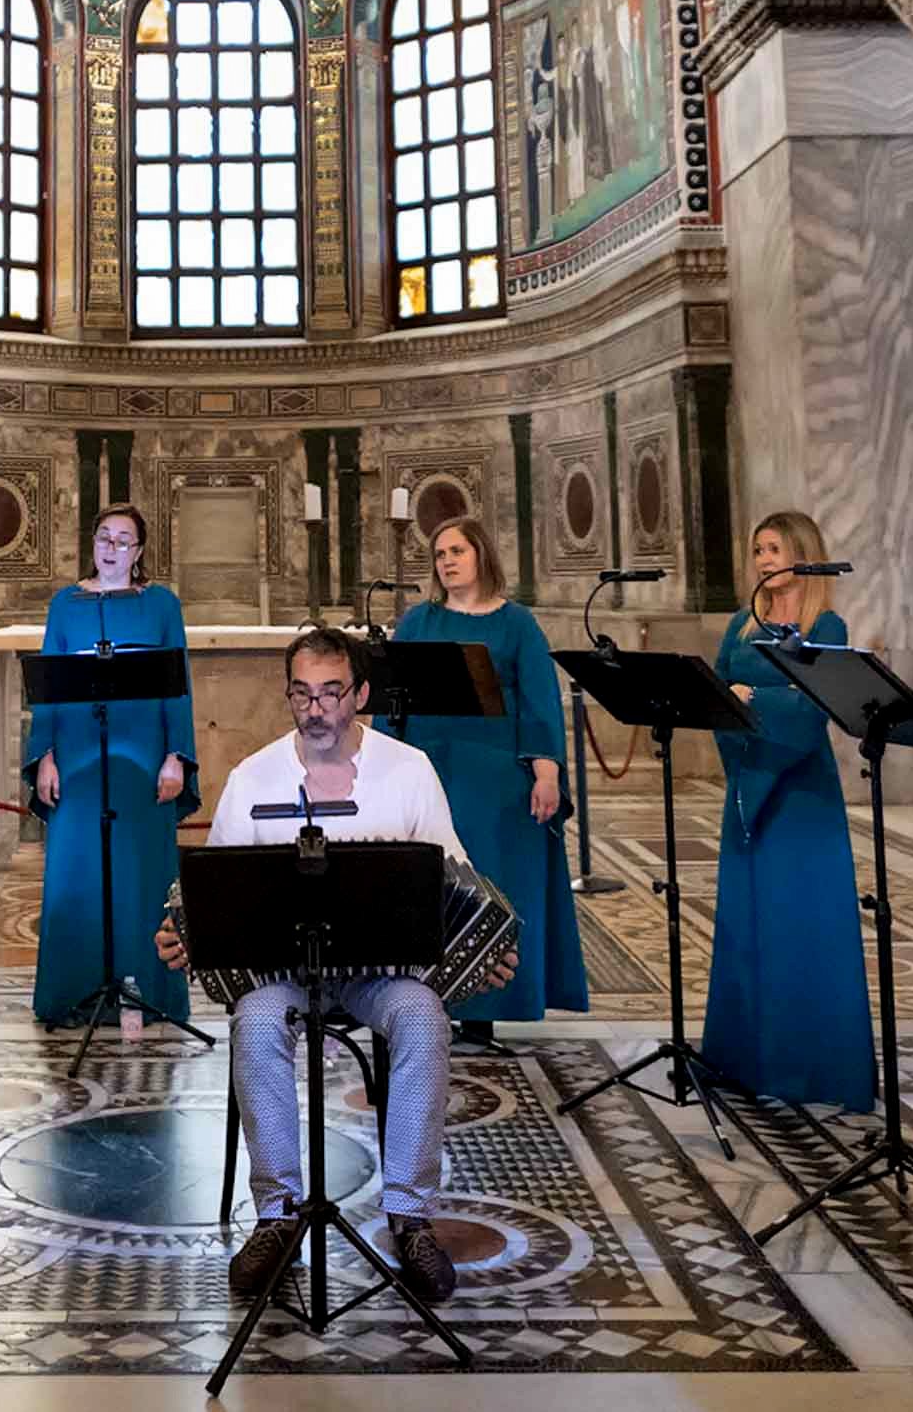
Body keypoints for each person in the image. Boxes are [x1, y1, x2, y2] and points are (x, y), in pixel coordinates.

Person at [163, 626, 514, 1306]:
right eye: (302, 693)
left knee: (423, 1016)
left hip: (379, 972)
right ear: (287, 694)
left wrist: (483, 947)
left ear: (358, 693)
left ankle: (409, 1215)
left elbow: (456, 878)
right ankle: (276, 1214)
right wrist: (183, 932)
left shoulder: (408, 768)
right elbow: (207, 888)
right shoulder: (253, 776)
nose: (316, 708)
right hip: (283, 971)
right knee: (255, 1022)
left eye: (331, 692)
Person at [698, 510, 875, 1108]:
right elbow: (718, 692)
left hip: (801, 792)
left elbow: (815, 705)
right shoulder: (741, 627)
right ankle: (744, 1059)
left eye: (774, 548)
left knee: (801, 922)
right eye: (757, 551)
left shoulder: (826, 622)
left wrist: (757, 699)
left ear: (803, 553)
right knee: (750, 924)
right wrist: (738, 716)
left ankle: (810, 1067)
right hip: (750, 785)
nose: (764, 560)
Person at [387, 518, 587, 1042]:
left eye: (457, 550)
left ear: (481, 555)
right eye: (439, 554)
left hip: (497, 779)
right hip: (430, 771)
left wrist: (546, 770)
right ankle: (425, 1003)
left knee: (491, 885)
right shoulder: (418, 623)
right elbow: (392, 705)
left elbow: (541, 702)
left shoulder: (516, 625)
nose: (447, 561)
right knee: (431, 884)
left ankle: (482, 1011)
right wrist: (382, 767)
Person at [26, 503, 196, 1026]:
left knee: (142, 872)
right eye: (104, 537)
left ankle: (149, 989)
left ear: (139, 552)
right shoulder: (66, 604)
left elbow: (178, 685)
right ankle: (74, 991)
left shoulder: (162, 605)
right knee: (78, 873)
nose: (112, 548)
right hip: (77, 759)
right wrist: (45, 756)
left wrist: (176, 757)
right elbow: (49, 690)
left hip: (141, 760)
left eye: (124, 540)